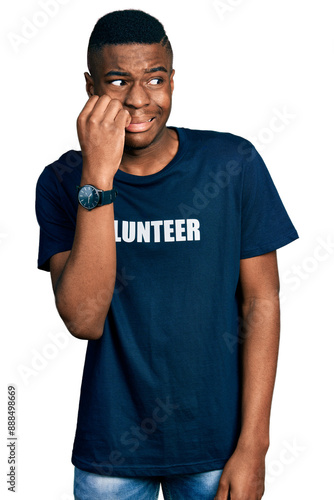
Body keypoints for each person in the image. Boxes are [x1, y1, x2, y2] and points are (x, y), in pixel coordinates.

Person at [35, 9, 298, 500]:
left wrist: (255, 446)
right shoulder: (62, 181)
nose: (139, 99)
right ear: (90, 85)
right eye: (118, 81)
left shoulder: (231, 164)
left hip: (216, 449)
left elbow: (261, 302)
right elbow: (86, 318)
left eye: (155, 79)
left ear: (173, 79)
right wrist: (98, 176)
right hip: (109, 453)